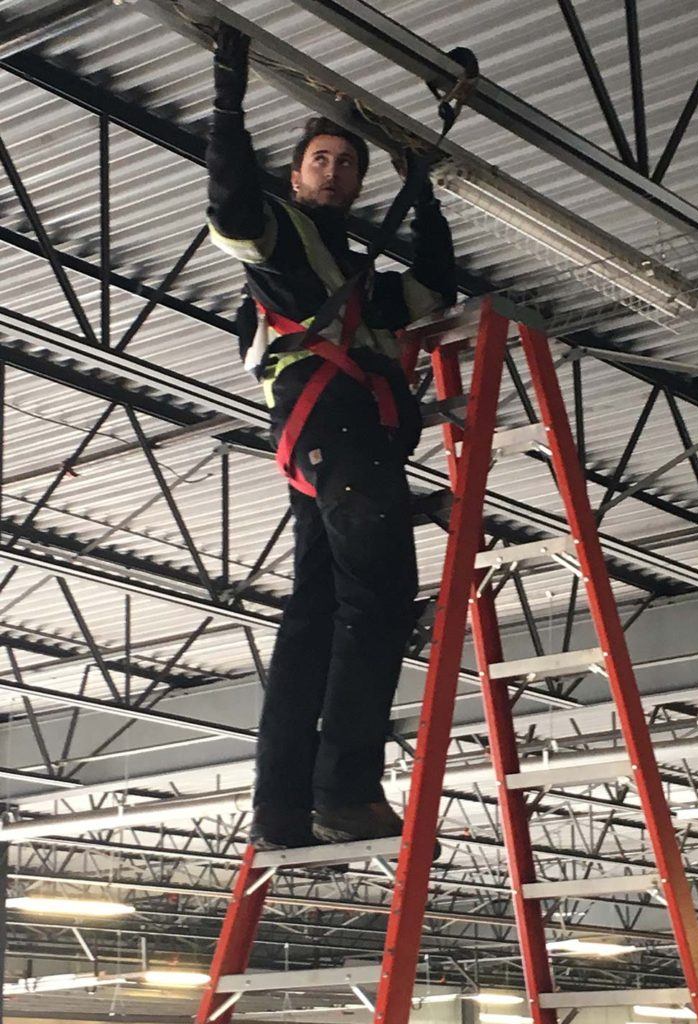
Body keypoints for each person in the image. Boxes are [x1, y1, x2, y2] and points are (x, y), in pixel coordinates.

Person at [205, 24, 456, 849]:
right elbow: (232, 206)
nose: (337, 169)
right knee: (377, 601)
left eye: (348, 163)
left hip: (331, 448)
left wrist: (421, 192)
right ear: (297, 173)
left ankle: (281, 807)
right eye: (322, 159)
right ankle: (345, 789)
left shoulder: (359, 277)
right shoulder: (280, 240)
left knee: (316, 615)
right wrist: (228, 98)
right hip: (338, 434)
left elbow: (430, 289)